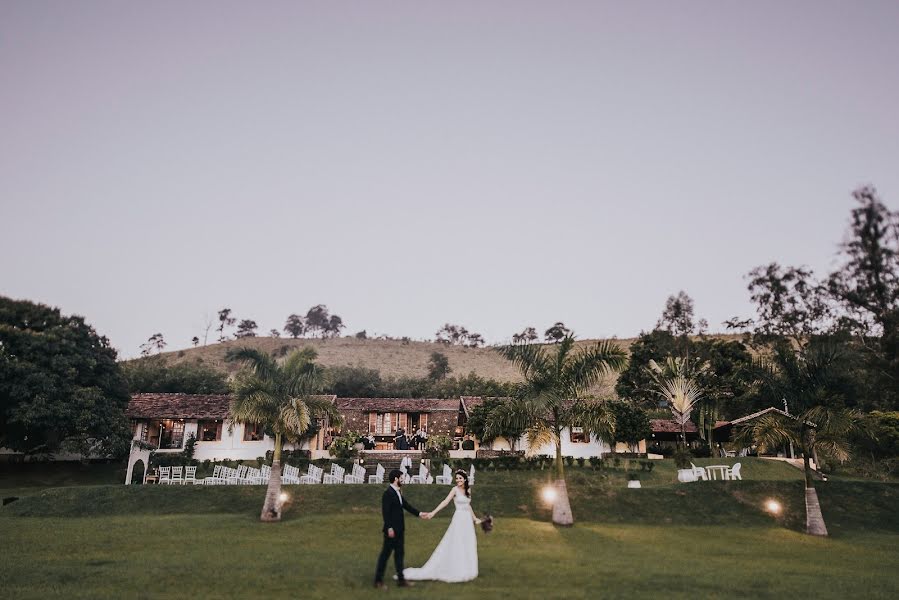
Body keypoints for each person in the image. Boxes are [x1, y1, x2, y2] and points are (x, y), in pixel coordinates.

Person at [402, 469, 482, 583]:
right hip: (459, 519)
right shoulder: (454, 490)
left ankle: (467, 567)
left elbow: (468, 506)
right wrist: (433, 512)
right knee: (457, 542)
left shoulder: (468, 490)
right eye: (457, 478)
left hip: (467, 521)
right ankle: (455, 567)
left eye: (460, 478)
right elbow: (445, 502)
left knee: (467, 542)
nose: (458, 480)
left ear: (465, 479)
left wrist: (474, 519)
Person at [374, 469, 427, 589]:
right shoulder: (388, 493)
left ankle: (401, 580)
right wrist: (389, 528)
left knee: (399, 555)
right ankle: (378, 581)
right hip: (391, 531)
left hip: (400, 529)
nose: (403, 480)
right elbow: (386, 513)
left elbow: (406, 506)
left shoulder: (398, 492)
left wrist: (419, 513)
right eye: (402, 478)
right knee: (385, 555)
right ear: (396, 479)